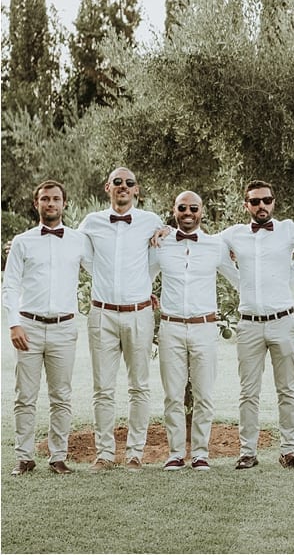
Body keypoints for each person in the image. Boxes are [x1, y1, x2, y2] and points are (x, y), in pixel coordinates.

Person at [78, 167, 165, 472]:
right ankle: (104, 454)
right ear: (108, 187)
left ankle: (135, 454)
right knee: (102, 387)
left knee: (139, 386)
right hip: (102, 314)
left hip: (139, 314)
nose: (123, 186)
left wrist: (139, 287)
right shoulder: (90, 222)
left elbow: (158, 258)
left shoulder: (151, 221)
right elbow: (84, 258)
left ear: (136, 189)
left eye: (129, 183)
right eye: (118, 182)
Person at [4, 181, 92, 476]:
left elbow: (103, 271)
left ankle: (58, 457)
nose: (50, 203)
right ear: (36, 204)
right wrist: (14, 324)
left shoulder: (79, 241)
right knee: (25, 396)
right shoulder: (22, 242)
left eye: (56, 199)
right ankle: (24, 457)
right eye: (45, 199)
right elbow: (10, 285)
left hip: (64, 328)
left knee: (61, 396)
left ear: (64, 204)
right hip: (28, 326)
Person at [221, 180, 294, 470]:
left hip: (283, 321)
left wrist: (291, 276)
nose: (262, 206)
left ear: (273, 202)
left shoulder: (288, 229)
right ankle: (247, 451)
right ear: (246, 205)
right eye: (255, 201)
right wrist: (240, 282)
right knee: (248, 392)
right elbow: (209, 248)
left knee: (287, 389)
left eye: (267, 200)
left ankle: (289, 450)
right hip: (249, 325)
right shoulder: (233, 234)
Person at [149, 191, 239, 471]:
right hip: (171, 327)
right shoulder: (160, 244)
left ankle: (200, 454)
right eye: (182, 208)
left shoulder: (216, 245)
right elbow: (144, 276)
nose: (188, 213)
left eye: (193, 208)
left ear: (202, 211)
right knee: (172, 395)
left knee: (204, 394)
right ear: (174, 210)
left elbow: (238, 278)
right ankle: (175, 453)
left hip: (204, 328)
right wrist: (145, 295)